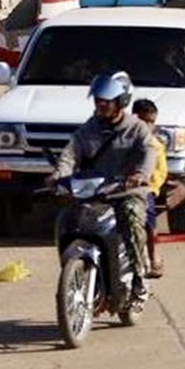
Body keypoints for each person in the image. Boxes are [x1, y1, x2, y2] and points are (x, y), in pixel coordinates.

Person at [51, 72, 155, 309]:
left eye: (106, 101)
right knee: (69, 220)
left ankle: (139, 277)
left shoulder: (136, 128)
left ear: (121, 102)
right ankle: (75, 274)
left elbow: (149, 152)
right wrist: (60, 175)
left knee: (131, 216)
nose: (101, 105)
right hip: (95, 192)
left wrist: (140, 175)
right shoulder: (90, 127)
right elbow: (71, 151)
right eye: (98, 101)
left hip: (126, 192)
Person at [130, 100, 172, 279]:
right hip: (120, 187)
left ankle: (154, 256)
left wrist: (152, 186)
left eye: (151, 122)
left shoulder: (155, 144)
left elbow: (160, 170)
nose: (148, 126)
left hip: (146, 190)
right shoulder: (123, 139)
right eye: (143, 121)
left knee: (149, 224)